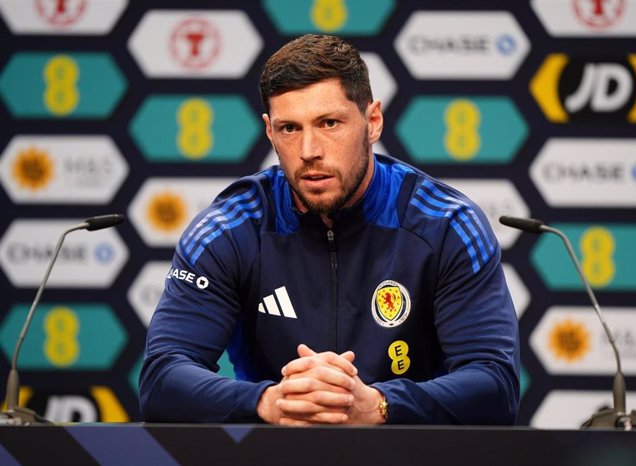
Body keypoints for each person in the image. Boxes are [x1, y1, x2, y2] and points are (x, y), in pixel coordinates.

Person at [139, 34, 520, 425]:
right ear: (269, 132)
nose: (309, 151)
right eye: (289, 128)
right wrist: (271, 401)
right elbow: (162, 379)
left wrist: (377, 405)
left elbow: (494, 384)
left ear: (372, 122)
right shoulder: (229, 230)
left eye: (329, 123)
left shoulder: (446, 225)